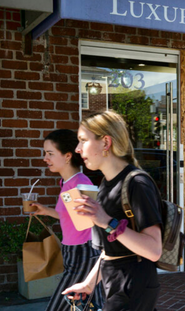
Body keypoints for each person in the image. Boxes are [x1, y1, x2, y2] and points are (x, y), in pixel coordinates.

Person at [62, 110, 163, 311]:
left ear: (106, 143)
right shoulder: (106, 185)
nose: (77, 149)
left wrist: (106, 221)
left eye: (83, 140)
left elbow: (154, 250)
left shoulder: (137, 183)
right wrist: (89, 284)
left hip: (134, 284)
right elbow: (112, 248)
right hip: (116, 282)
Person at [30, 129, 104, 311]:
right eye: (45, 153)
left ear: (67, 156)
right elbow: (71, 217)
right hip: (72, 252)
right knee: (90, 306)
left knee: (59, 306)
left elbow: (92, 223)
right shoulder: (66, 182)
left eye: (50, 153)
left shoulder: (80, 184)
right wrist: (45, 211)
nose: (45, 158)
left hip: (83, 253)